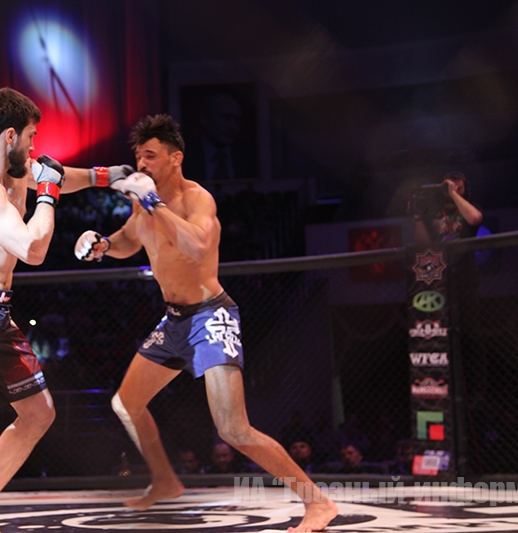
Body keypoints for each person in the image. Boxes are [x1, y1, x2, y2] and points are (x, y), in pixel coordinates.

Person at [74, 114, 338, 532]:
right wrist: (103, 245)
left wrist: (153, 203)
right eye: (139, 157)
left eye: (151, 156)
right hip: (174, 320)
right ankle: (165, 480)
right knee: (126, 403)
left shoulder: (198, 200)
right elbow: (130, 238)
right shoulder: (141, 201)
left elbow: (197, 246)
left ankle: (318, 503)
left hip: (210, 315)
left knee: (234, 429)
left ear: (175, 158)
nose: (141, 164)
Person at [0, 87, 131, 533]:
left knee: (39, 413)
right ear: (10, 135)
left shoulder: (15, 173)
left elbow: (60, 174)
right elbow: (33, 249)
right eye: (31, 136)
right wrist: (47, 194)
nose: (35, 147)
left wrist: (108, 176)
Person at [181, 92, 250, 182]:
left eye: (237, 120)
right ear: (205, 119)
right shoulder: (186, 157)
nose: (232, 126)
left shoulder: (247, 157)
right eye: (225, 118)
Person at [412, 171, 483, 244]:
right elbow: (422, 243)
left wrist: (453, 193)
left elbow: (475, 219)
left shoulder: (472, 208)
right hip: (439, 251)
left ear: (465, 190)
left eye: (459, 188)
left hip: (464, 250)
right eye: (448, 188)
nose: (454, 190)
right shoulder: (432, 212)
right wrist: (417, 216)